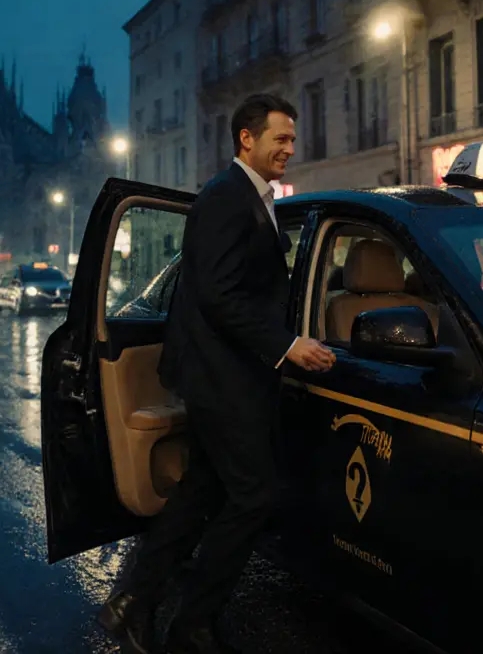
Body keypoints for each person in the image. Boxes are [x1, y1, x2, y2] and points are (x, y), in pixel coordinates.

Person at [99, 93, 336, 654]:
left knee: (201, 491)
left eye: (292, 139)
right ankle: (193, 621)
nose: (290, 148)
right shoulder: (226, 196)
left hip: (230, 374)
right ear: (246, 140)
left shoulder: (253, 197)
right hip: (221, 378)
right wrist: (287, 347)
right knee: (254, 497)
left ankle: (132, 603)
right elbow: (219, 295)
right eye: (280, 138)